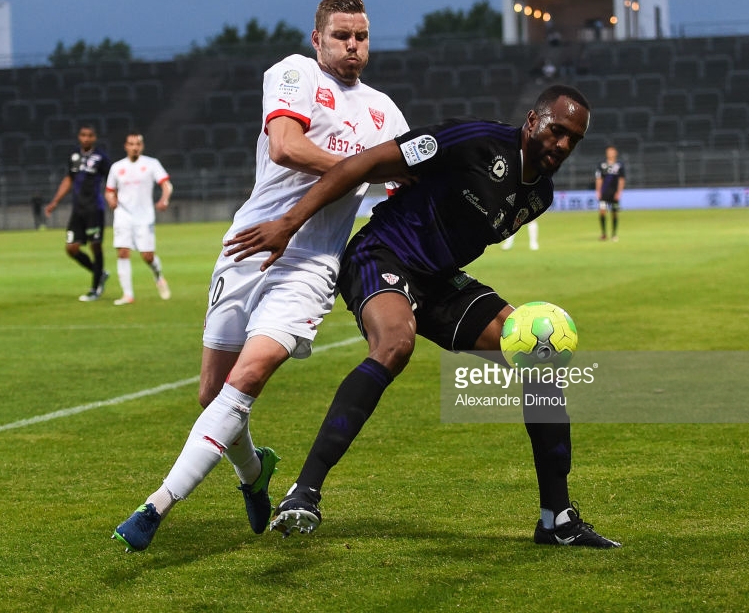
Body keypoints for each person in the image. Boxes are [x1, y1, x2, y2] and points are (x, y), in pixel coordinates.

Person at [226, 85, 621, 549]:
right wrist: (288, 224)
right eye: (557, 131)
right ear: (533, 121)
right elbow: (366, 164)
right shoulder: (475, 141)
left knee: (539, 355)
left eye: (574, 140)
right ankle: (303, 492)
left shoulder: (541, 195)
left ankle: (557, 518)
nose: (563, 145)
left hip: (437, 280)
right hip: (381, 253)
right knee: (395, 344)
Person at [111, 0, 410, 552]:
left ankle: (155, 506)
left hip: (311, 264)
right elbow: (286, 146)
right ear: (316, 38)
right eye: (341, 36)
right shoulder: (293, 73)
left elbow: (404, 189)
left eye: (361, 36)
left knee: (248, 377)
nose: (353, 46)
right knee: (210, 392)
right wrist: (365, 167)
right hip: (249, 244)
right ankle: (254, 474)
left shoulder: (385, 112)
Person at [44, 124, 113, 301]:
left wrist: (113, 197)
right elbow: (68, 179)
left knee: (95, 246)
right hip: (78, 210)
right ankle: (100, 273)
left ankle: (95, 288)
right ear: (79, 137)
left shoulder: (101, 158)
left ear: (94, 138)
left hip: (94, 209)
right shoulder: (74, 156)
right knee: (71, 248)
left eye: (90, 135)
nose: (86, 138)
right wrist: (55, 201)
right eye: (83, 135)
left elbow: (112, 179)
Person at [105, 132, 173, 305]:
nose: (134, 147)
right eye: (131, 144)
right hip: (123, 215)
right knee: (122, 251)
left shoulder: (151, 164)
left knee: (147, 256)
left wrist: (164, 199)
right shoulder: (117, 167)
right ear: (125, 146)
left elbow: (166, 184)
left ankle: (158, 277)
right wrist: (111, 200)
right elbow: (109, 190)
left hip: (144, 217)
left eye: (137, 144)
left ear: (142, 146)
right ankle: (128, 295)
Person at [595, 145, 625, 241]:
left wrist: (619, 192)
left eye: (612, 152)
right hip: (604, 193)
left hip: (614, 193)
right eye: (608, 152)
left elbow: (621, 180)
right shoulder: (601, 165)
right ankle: (604, 234)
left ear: (615, 153)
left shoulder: (619, 165)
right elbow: (599, 179)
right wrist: (598, 191)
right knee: (602, 212)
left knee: (614, 212)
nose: (610, 153)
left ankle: (614, 234)